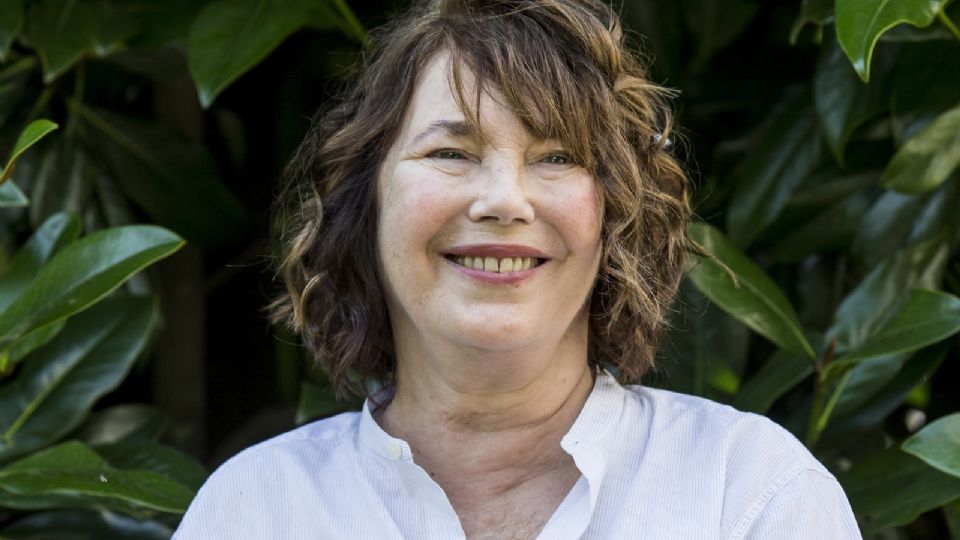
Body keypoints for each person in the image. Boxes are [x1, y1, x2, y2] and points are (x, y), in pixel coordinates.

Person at [174, 0, 862, 538]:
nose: (504, 199)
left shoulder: (750, 496)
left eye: (558, 157)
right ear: (367, 201)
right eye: (450, 152)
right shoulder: (254, 511)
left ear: (613, 215)